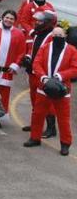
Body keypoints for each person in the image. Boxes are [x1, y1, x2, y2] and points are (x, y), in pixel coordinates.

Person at [24, 27, 75, 155]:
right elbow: (37, 63)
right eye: (55, 34)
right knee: (38, 114)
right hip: (44, 87)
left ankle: (65, 144)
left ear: (65, 35)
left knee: (63, 119)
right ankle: (35, 138)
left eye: (60, 34)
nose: (57, 36)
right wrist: (43, 77)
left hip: (62, 90)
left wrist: (60, 76)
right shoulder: (45, 47)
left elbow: (75, 68)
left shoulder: (72, 50)